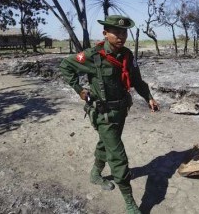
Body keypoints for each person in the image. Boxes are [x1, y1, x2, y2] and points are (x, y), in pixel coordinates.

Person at [59, 15, 159, 214]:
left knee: (106, 144)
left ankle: (95, 174)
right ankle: (130, 203)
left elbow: (137, 80)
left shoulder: (128, 55)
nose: (121, 36)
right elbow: (65, 65)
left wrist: (149, 97)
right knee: (118, 157)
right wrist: (79, 89)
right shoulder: (92, 55)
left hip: (121, 111)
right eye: (116, 32)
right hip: (102, 114)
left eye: (124, 32)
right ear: (105, 34)